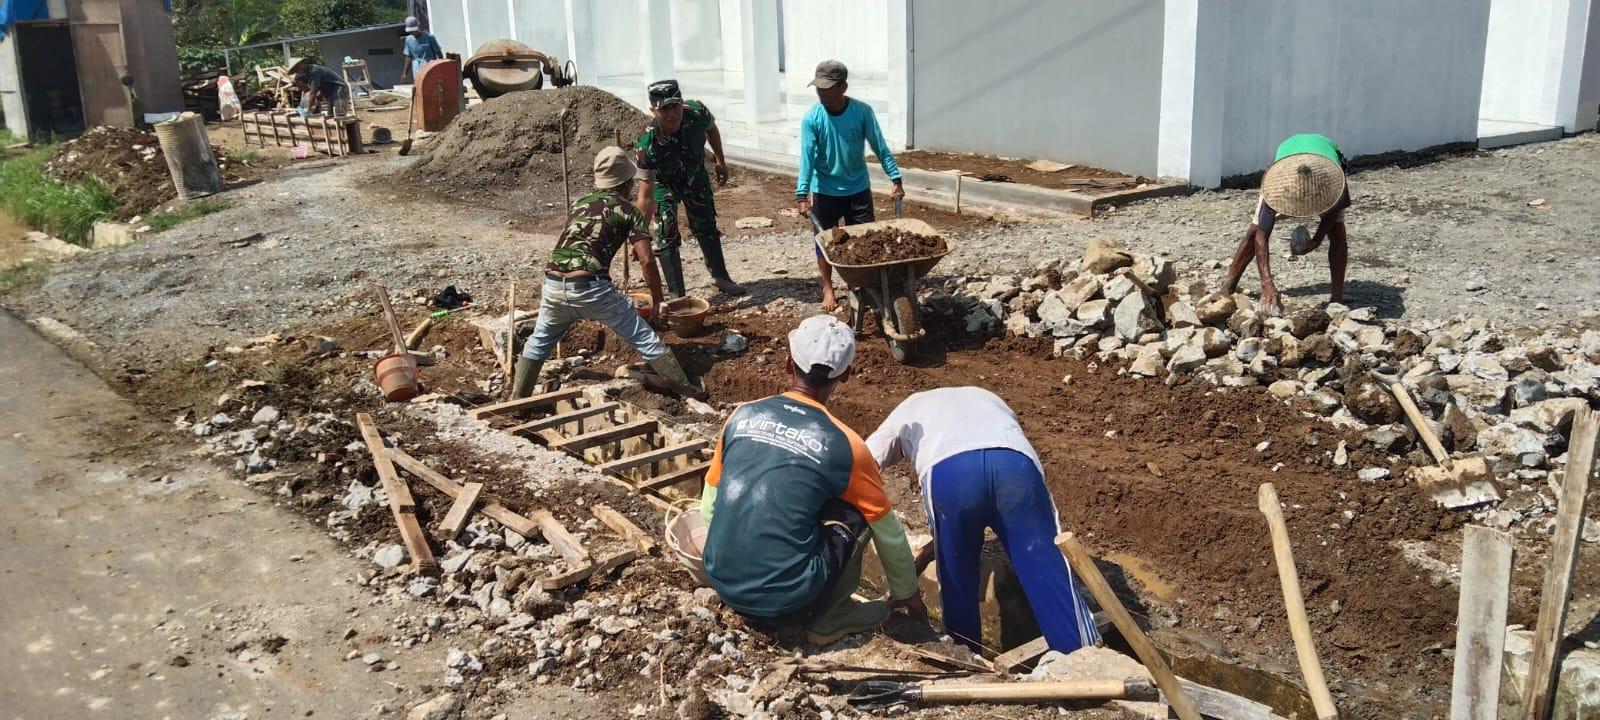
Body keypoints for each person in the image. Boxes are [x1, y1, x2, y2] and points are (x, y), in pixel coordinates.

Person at [700, 315, 926, 644]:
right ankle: (830, 616)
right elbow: (888, 531)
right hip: (786, 602)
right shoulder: (847, 446)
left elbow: (709, 507)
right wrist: (907, 591)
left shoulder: (742, 414)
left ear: (788, 364)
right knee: (859, 509)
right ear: (846, 375)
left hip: (720, 577)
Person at [866, 387, 1100, 655]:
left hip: (949, 474)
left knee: (956, 577)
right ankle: (1085, 659)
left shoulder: (906, 409)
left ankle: (966, 657)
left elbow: (863, 462)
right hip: (1014, 464)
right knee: (1047, 568)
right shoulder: (986, 395)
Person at [511, 147, 704, 400]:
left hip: (554, 284)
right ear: (627, 182)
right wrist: (657, 300)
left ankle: (517, 400)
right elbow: (646, 259)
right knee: (643, 336)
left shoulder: (579, 204)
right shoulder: (627, 211)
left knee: (539, 341)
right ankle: (688, 390)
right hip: (590, 287)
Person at [795, 60, 905, 313]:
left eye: (827, 88)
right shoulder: (812, 118)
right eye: (818, 87)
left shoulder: (862, 112)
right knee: (825, 243)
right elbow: (807, 158)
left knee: (865, 243)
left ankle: (861, 286)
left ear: (843, 87)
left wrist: (895, 178)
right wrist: (802, 193)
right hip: (824, 191)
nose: (821, 92)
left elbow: (880, 146)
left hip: (858, 190)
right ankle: (827, 287)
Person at [633, 80, 746, 298]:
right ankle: (678, 296)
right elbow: (645, 195)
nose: (671, 114)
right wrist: (639, 232)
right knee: (666, 233)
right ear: (653, 110)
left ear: (682, 102)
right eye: (664, 109)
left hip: (695, 176)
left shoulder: (696, 112)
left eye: (675, 106)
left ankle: (721, 277)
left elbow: (711, 130)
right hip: (664, 183)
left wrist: (721, 161)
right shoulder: (646, 142)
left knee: (706, 224)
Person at [1221, 133, 1352, 316]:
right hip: (1287, 165)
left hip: (1324, 164)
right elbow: (1260, 235)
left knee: (1337, 233)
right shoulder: (1276, 186)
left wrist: (1316, 240)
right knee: (1253, 231)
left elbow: (1334, 213)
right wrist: (1267, 283)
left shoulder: (1333, 181)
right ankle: (1227, 287)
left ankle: (1337, 299)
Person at [399, 16, 444, 85]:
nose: (412, 33)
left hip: (430, 66)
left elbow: (438, 53)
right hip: (417, 68)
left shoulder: (429, 37)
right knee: (419, 86)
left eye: (413, 31)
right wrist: (405, 74)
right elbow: (409, 57)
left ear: (418, 27)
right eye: (410, 31)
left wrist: (442, 68)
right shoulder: (409, 40)